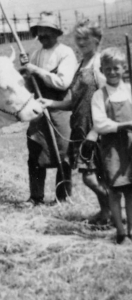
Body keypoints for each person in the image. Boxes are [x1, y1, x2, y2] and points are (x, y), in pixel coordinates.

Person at [39, 20, 110, 224]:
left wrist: (95, 131)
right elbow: (75, 101)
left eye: (85, 38)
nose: (81, 42)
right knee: (96, 176)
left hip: (96, 130)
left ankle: (114, 209)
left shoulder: (99, 65)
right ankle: (106, 212)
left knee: (91, 177)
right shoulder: (81, 64)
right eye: (78, 38)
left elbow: (108, 101)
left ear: (96, 40)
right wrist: (51, 103)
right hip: (80, 127)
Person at [20, 11, 77, 205]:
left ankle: (63, 196)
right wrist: (27, 75)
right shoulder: (35, 55)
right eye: (40, 32)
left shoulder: (65, 53)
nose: (42, 36)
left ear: (56, 33)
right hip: (38, 109)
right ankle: (36, 196)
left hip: (59, 107)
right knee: (35, 149)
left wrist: (35, 70)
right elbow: (29, 86)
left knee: (64, 152)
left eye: (47, 32)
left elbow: (62, 82)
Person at [91, 47, 132, 244]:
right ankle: (121, 232)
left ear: (124, 68)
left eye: (116, 68)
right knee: (115, 191)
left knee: (131, 190)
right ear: (101, 70)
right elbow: (100, 124)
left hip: (130, 146)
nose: (112, 72)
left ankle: (131, 230)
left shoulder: (129, 91)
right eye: (107, 69)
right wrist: (124, 125)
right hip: (112, 149)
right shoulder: (99, 96)